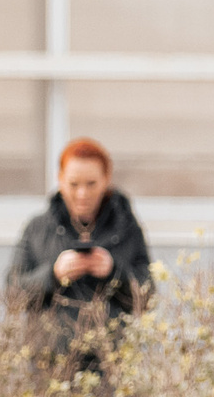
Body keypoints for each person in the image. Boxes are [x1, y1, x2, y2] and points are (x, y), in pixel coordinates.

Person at [10, 137, 152, 370]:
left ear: (106, 180)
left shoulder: (126, 227)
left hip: (111, 368)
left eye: (91, 184)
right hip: (50, 368)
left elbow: (148, 295)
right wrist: (53, 275)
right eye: (74, 184)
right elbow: (13, 295)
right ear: (60, 180)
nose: (82, 194)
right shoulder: (38, 228)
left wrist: (113, 272)